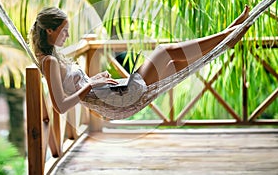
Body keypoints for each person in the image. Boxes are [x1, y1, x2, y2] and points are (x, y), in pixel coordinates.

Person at [30, 6, 250, 114]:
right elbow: (60, 107)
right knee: (165, 52)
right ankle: (227, 36)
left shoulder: (53, 57)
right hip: (120, 99)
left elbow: (77, 85)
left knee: (174, 64)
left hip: (116, 95)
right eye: (64, 30)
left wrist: (94, 79)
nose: (67, 35)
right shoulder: (49, 61)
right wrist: (91, 85)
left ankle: (225, 39)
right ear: (49, 30)